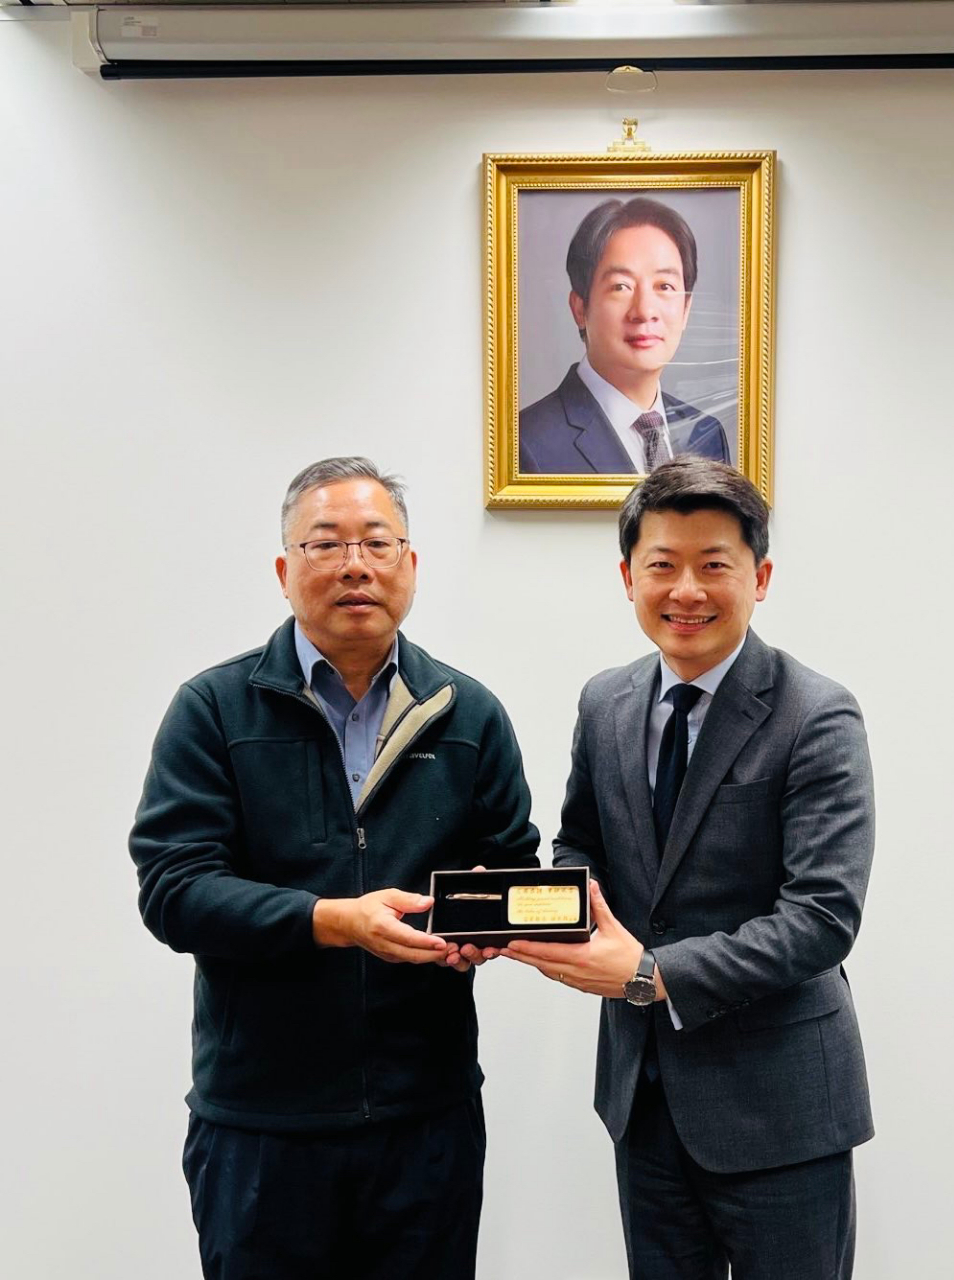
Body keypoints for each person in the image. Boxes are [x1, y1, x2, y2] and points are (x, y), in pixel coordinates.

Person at [129, 456, 539, 1280]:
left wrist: (484, 929)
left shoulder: (468, 713)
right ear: (285, 572)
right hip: (261, 1122)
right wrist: (329, 921)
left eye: (377, 544)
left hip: (425, 1119)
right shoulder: (213, 709)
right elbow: (174, 891)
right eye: (325, 544)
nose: (356, 565)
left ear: (410, 565)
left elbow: (509, 869)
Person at [504, 457, 875, 1280]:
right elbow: (578, 845)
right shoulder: (605, 702)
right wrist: (550, 920)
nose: (686, 591)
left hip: (781, 1107)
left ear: (760, 578)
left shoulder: (817, 714)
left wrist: (648, 973)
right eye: (662, 565)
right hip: (643, 1096)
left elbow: (821, 919)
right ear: (627, 577)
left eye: (714, 565)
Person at [519, 196, 731, 475]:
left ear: (686, 309)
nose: (644, 311)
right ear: (580, 308)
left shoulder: (707, 435)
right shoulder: (526, 444)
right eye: (621, 286)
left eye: (664, 286)